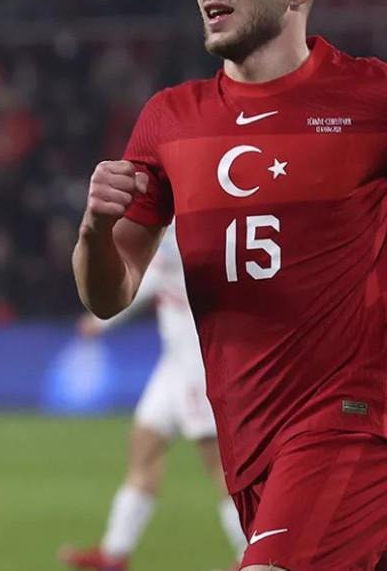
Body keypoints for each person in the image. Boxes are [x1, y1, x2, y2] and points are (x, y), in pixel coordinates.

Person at [73, 0, 387, 569]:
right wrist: (96, 229)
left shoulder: (369, 99)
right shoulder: (170, 119)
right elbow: (108, 294)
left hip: (348, 422)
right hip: (249, 435)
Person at [60, 225, 246, 570]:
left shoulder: (185, 233)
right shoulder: (172, 229)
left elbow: (144, 281)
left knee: (221, 469)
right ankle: (114, 554)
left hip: (199, 370)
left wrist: (99, 323)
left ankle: (248, 554)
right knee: (143, 449)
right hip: (172, 367)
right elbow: (150, 278)